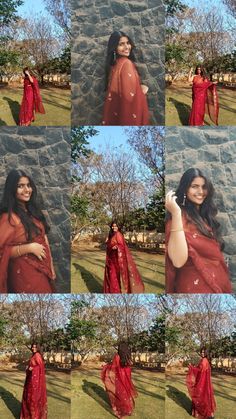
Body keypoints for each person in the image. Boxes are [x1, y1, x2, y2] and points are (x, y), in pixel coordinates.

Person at [165, 168, 232, 293]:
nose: (200, 192)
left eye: (204, 187)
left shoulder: (205, 218)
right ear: (185, 189)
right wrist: (176, 212)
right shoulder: (178, 219)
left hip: (219, 285)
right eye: (194, 186)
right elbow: (178, 261)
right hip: (194, 287)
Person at [0, 169, 56, 293]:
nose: (27, 190)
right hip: (24, 276)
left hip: (43, 269)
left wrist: (51, 266)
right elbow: (1, 250)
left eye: (28, 185)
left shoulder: (32, 212)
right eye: (20, 186)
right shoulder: (9, 218)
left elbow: (43, 237)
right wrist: (28, 248)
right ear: (12, 190)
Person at [102, 31, 149, 125]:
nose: (127, 47)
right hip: (129, 117)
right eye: (121, 44)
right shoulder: (126, 64)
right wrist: (142, 90)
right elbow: (129, 98)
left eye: (128, 43)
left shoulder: (116, 64)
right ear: (114, 48)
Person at [103, 221, 144, 293]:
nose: (114, 227)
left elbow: (121, 246)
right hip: (110, 259)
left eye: (115, 226)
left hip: (116, 260)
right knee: (110, 277)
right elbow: (109, 244)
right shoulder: (112, 234)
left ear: (118, 227)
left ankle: (115, 292)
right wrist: (107, 241)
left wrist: (116, 247)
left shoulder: (118, 234)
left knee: (113, 278)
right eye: (113, 226)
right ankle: (111, 292)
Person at [101, 342, 137, 419]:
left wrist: (105, 366)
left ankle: (121, 413)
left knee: (119, 395)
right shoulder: (128, 357)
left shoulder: (117, 356)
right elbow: (129, 366)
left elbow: (113, 366)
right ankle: (128, 410)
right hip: (125, 378)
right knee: (125, 394)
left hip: (118, 379)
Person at [186, 347, 216, 419]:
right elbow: (200, 369)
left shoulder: (204, 360)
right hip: (205, 383)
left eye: (203, 352)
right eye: (201, 352)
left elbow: (200, 371)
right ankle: (210, 414)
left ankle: (207, 414)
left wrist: (191, 367)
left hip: (202, 383)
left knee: (201, 397)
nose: (202, 353)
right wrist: (194, 367)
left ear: (206, 353)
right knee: (205, 397)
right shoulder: (205, 360)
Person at [20, 343, 47, 419]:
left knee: (33, 400)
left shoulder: (37, 355)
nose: (33, 348)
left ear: (38, 348)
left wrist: (31, 369)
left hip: (35, 381)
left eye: (35, 347)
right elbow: (34, 365)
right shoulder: (34, 355)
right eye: (32, 347)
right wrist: (29, 368)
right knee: (29, 398)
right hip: (31, 380)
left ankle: (34, 416)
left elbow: (40, 367)